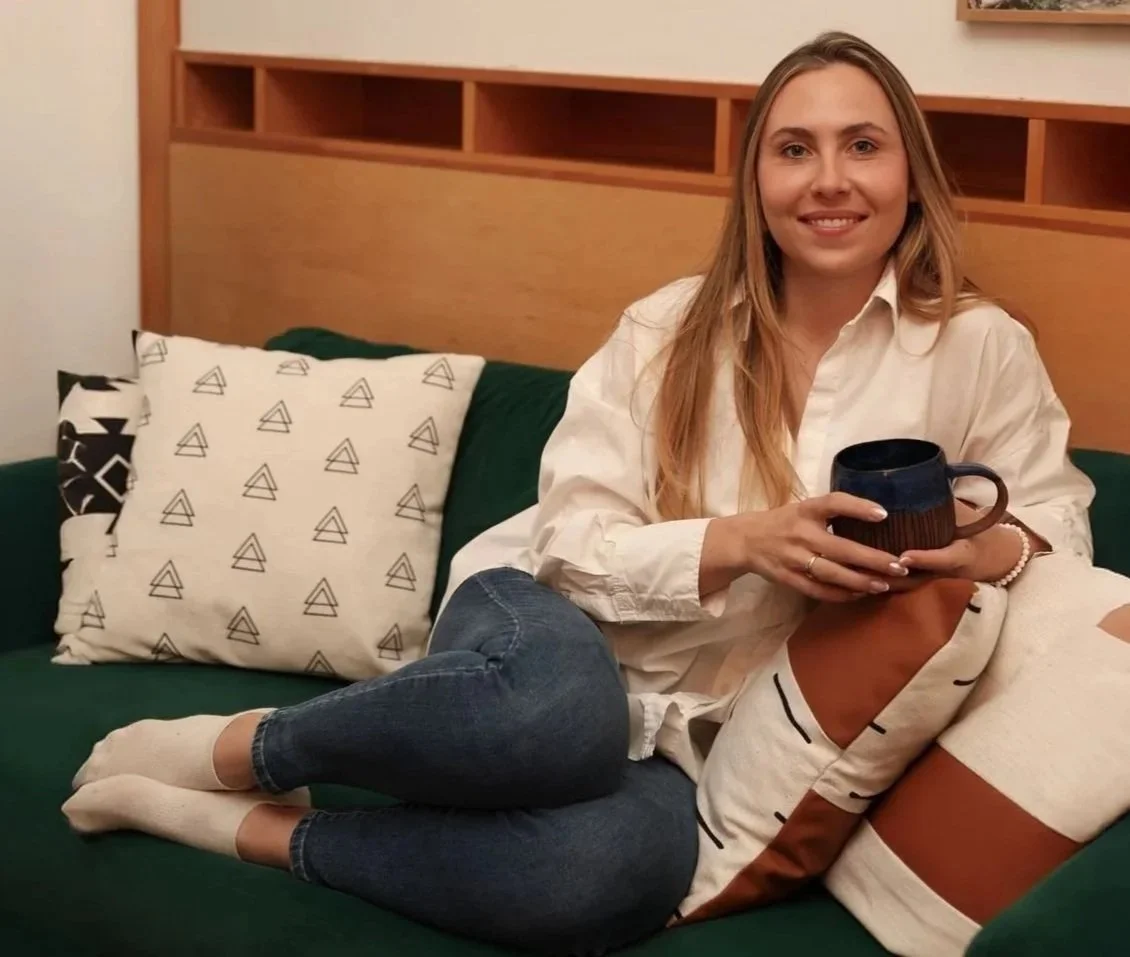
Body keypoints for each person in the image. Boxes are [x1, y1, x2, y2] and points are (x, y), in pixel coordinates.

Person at [62, 30, 1094, 957]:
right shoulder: (665, 330)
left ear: (909, 170)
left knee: (601, 879)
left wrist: (981, 552)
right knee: (559, 719)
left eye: (861, 145)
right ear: (753, 180)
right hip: (546, 622)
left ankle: (253, 826)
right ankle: (247, 746)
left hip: (703, 735)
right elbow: (569, 542)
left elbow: (1055, 521)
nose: (828, 180)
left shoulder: (975, 346)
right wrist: (737, 544)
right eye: (793, 149)